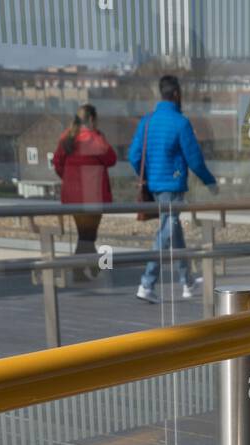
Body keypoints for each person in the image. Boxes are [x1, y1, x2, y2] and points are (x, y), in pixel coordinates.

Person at [129, 74, 217, 304]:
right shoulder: (180, 122)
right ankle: (147, 283)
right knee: (166, 233)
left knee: (174, 231)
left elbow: (133, 155)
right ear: (176, 94)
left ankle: (187, 282)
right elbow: (194, 159)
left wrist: (148, 175)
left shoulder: (147, 121)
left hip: (155, 187)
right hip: (173, 186)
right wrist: (210, 182)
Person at [53, 104, 117, 278]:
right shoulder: (95, 138)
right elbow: (111, 159)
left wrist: (68, 180)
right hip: (92, 194)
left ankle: (88, 267)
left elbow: (58, 164)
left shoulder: (66, 138)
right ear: (91, 119)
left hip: (73, 195)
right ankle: (81, 269)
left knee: (85, 234)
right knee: (88, 235)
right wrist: (99, 135)